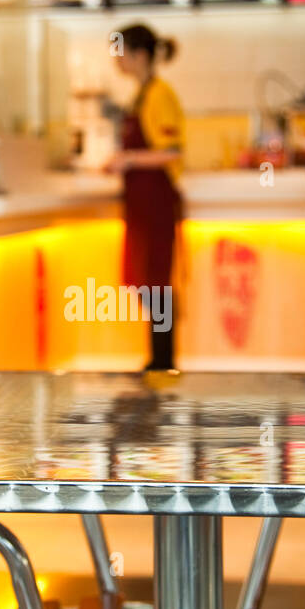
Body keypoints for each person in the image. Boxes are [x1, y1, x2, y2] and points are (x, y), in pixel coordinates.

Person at [107, 23, 184, 371]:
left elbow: (172, 150)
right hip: (141, 202)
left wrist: (128, 159)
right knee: (147, 284)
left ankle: (163, 361)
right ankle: (159, 358)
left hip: (156, 201)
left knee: (157, 285)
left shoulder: (159, 94)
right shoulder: (141, 94)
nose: (116, 60)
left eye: (120, 52)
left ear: (139, 55)